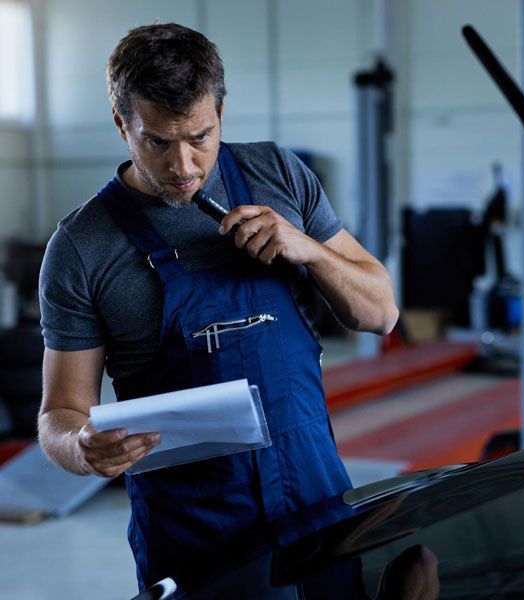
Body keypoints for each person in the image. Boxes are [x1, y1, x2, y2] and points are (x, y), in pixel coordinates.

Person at [37, 22, 398, 592]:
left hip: (317, 502)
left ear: (221, 112)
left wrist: (309, 251)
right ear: (121, 125)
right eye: (157, 141)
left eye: (200, 137)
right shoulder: (83, 246)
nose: (183, 166)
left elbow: (380, 313)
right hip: (192, 535)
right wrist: (80, 449)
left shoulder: (277, 174)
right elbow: (59, 413)